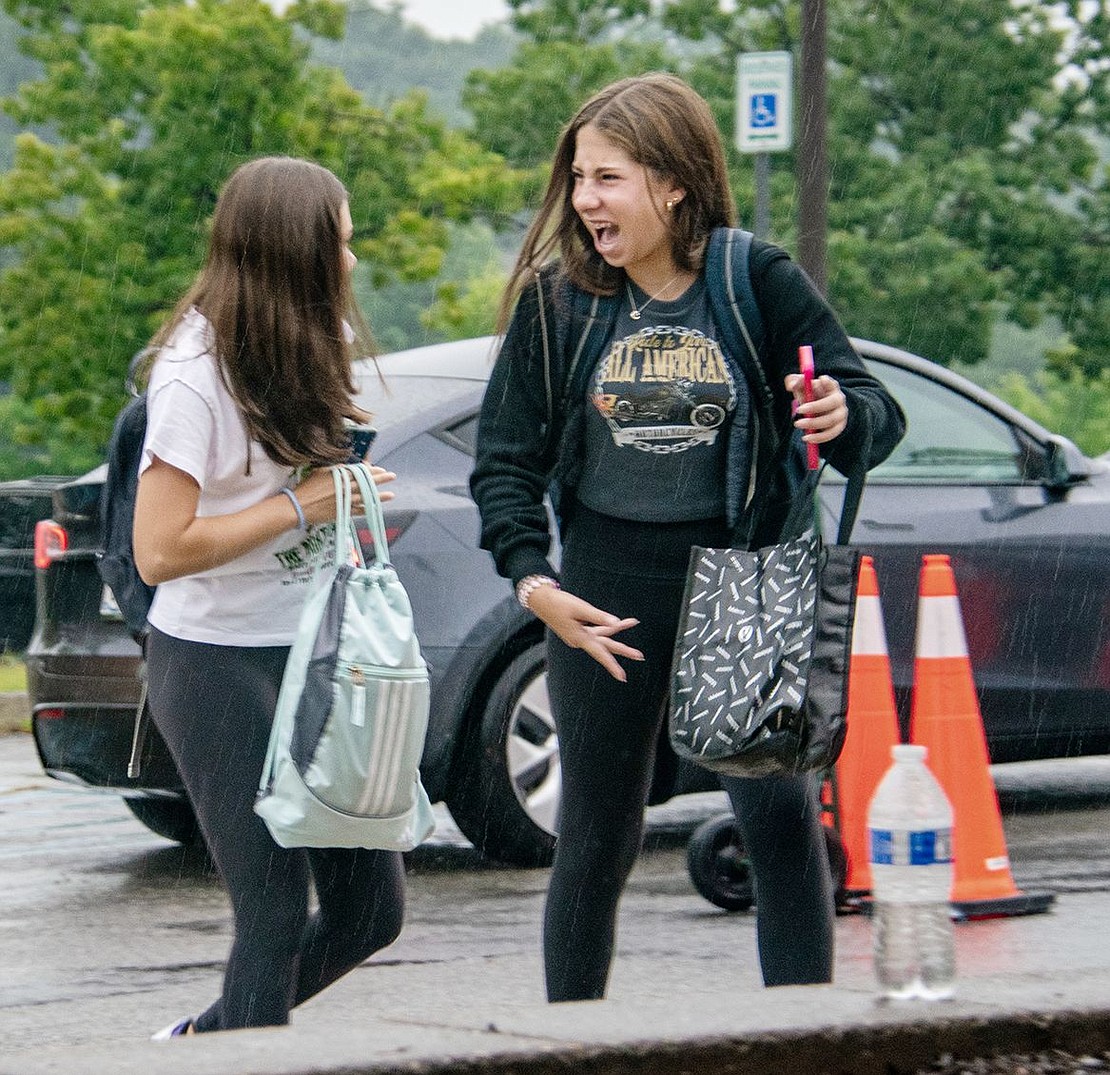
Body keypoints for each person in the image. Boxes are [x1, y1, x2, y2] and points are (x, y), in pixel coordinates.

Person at [470, 73, 906, 1002]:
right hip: (603, 584)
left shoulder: (756, 280)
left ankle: (805, 1040)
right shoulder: (561, 305)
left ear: (671, 184)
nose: (586, 199)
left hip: (745, 574)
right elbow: (503, 462)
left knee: (778, 819)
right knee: (595, 832)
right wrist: (533, 580)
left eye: (609, 177)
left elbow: (875, 407)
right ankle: (572, 1046)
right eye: (580, 178)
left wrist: (839, 411)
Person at [134, 156, 403, 1037]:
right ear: (297, 249)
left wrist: (344, 505)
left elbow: (301, 511)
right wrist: (303, 503)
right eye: (343, 242)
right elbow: (158, 551)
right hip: (212, 662)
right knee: (277, 912)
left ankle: (201, 1041)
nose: (353, 263)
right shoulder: (192, 375)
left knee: (372, 911)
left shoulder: (295, 345)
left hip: (307, 652)